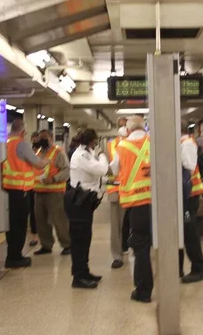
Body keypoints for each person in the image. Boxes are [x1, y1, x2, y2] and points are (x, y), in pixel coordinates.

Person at [110, 116, 153, 303]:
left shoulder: (122, 146)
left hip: (137, 203)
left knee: (140, 245)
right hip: (158, 201)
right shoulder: (155, 141)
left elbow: (114, 169)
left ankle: (143, 290)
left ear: (127, 130)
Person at [1, 120, 48, 268]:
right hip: (20, 190)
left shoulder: (6, 143)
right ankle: (15, 257)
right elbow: (38, 163)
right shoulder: (21, 144)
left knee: (11, 224)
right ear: (23, 132)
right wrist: (46, 161)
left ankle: (12, 254)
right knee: (20, 225)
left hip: (8, 189)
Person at [67, 129, 109, 289]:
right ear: (92, 141)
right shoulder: (82, 155)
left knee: (85, 239)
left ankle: (84, 271)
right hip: (79, 201)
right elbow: (101, 169)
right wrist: (103, 156)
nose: (97, 144)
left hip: (85, 201)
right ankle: (78, 277)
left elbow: (97, 175)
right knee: (79, 240)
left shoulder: (87, 152)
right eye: (96, 141)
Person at [33, 130, 72, 256]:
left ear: (51, 138)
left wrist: (54, 179)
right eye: (40, 138)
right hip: (39, 191)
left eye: (44, 138)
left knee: (59, 220)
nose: (41, 140)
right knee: (41, 221)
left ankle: (67, 244)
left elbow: (66, 170)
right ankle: (46, 245)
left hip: (55, 192)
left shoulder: (58, 152)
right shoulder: (38, 152)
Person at [179, 120, 203, 283]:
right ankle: (178, 267)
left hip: (190, 195)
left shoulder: (187, 143)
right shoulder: (181, 143)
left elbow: (188, 166)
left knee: (190, 232)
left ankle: (198, 268)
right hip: (184, 195)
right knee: (182, 232)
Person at [107, 124, 129, 269]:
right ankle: (117, 255)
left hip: (135, 189)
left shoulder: (139, 144)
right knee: (116, 225)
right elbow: (106, 167)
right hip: (117, 189)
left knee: (129, 224)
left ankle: (125, 249)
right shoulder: (110, 146)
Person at [28, 132, 40, 247]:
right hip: (31, 186)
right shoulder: (28, 152)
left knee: (40, 213)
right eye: (34, 140)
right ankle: (34, 237)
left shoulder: (44, 153)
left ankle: (43, 235)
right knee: (33, 212)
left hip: (42, 187)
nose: (35, 142)